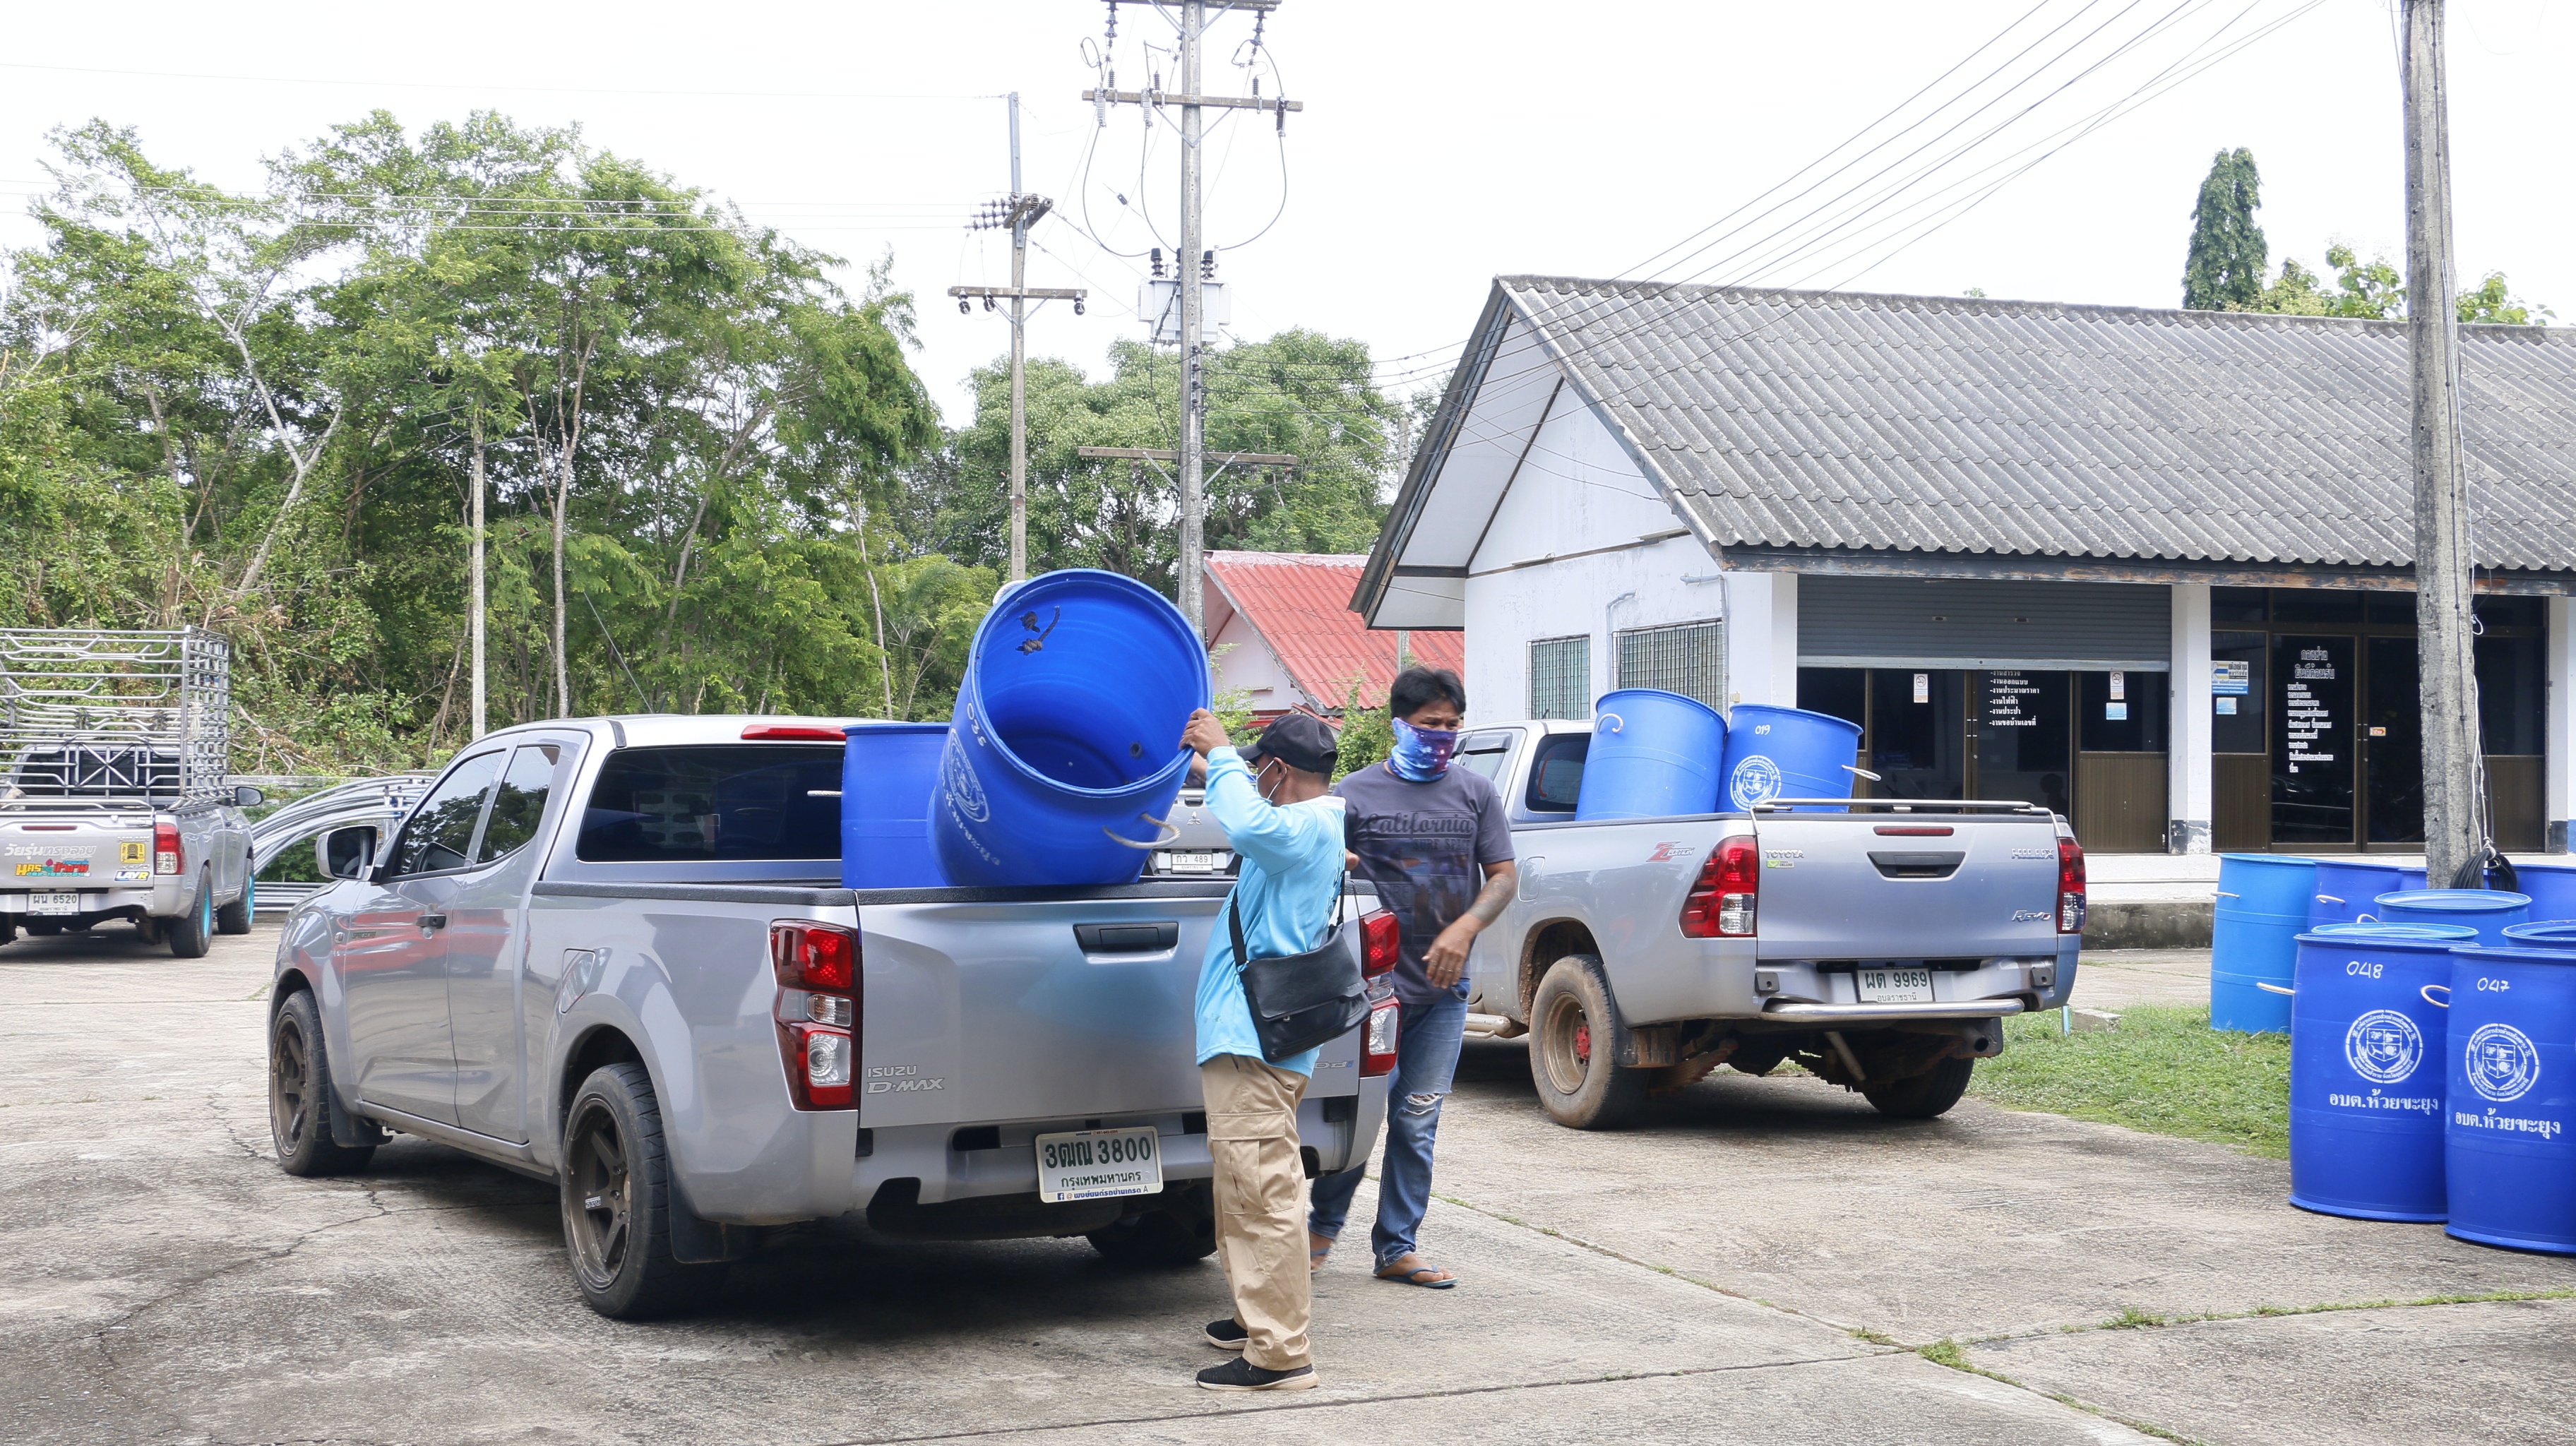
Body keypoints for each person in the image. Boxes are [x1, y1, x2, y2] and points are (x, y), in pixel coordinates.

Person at [1308, 666, 1515, 1289]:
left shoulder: (1476, 793)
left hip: (1444, 992)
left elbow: (1504, 877)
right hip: (1371, 992)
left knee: (1419, 1119)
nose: (1443, 735)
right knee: (1364, 1115)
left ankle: (1397, 1247)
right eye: (1430, 724)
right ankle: (1320, 1231)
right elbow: (1320, 874)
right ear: (1399, 724)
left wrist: (1465, 928)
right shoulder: (1355, 795)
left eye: (1452, 725)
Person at [1181, 706, 1347, 1392]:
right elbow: (1250, 816)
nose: (1252, 778)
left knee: (1262, 1190)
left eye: (1258, 769)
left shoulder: (1304, 826)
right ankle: (1257, 1313)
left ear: (1279, 770)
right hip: (1252, 1037)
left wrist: (1222, 756)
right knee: (1243, 1186)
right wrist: (1207, 764)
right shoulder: (1309, 827)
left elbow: (1250, 825)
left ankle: (1279, 1353)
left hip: (1253, 1043)